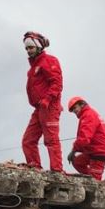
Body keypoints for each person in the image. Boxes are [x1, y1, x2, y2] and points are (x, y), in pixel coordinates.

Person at [21, 31, 64, 172]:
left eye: (31, 47)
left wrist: (47, 99)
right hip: (39, 108)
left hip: (49, 106)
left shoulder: (49, 61)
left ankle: (57, 170)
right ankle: (34, 166)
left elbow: (57, 83)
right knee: (28, 140)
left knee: (51, 139)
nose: (28, 51)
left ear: (39, 47)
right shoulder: (34, 66)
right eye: (27, 48)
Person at [66, 96, 105, 180]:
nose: (74, 111)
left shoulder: (88, 115)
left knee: (95, 181)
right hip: (93, 150)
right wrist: (74, 150)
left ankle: (94, 182)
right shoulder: (88, 114)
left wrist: (73, 150)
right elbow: (84, 139)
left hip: (99, 151)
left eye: (75, 108)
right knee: (77, 162)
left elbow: (84, 138)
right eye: (72, 110)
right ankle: (89, 179)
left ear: (82, 104)